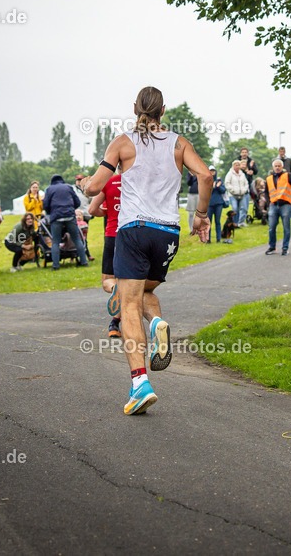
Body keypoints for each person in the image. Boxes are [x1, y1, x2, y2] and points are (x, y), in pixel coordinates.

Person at [80, 85, 212, 415]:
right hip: (167, 233)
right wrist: (200, 216)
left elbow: (94, 186)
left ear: (134, 107)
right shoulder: (180, 143)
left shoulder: (123, 141)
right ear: (163, 111)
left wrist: (85, 184)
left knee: (127, 304)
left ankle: (140, 383)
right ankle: (155, 322)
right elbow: (206, 176)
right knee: (143, 293)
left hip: (133, 231)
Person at [88, 170, 123, 339]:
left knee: (107, 281)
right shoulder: (139, 181)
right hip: (134, 235)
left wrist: (107, 212)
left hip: (112, 235)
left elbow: (92, 209)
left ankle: (115, 289)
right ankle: (115, 323)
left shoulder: (110, 182)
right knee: (132, 284)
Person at [43, 175, 88, 270]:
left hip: (56, 217)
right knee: (76, 238)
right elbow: (77, 202)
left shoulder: (49, 189)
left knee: (55, 241)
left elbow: (45, 204)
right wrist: (71, 209)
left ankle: (55, 265)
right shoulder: (68, 187)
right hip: (70, 216)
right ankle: (84, 262)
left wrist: (50, 212)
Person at [224, 160, 250, 226]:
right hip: (233, 195)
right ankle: (235, 223)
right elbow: (227, 183)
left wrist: (244, 190)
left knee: (243, 208)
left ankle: (241, 222)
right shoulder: (230, 174)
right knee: (235, 209)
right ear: (233, 166)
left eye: (239, 165)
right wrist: (233, 190)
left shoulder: (242, 174)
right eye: (236, 165)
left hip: (242, 194)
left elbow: (246, 183)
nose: (238, 166)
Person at [207, 166, 228, 243]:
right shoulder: (206, 180)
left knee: (217, 221)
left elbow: (223, 190)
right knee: (209, 222)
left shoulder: (219, 180)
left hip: (219, 203)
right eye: (211, 171)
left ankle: (218, 238)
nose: (212, 173)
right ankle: (208, 239)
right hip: (209, 203)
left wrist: (218, 187)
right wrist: (213, 187)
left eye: (213, 171)